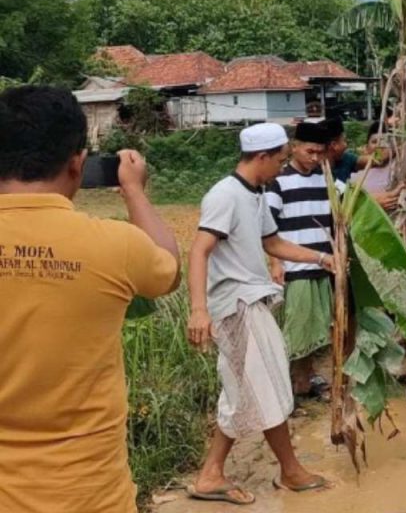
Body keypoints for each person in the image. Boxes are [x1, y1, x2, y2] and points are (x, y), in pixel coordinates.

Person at [0, 86, 180, 513]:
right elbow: (168, 271)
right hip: (89, 495)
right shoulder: (115, 247)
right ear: (78, 163)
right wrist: (134, 191)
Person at [187, 123, 332, 505]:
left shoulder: (256, 193)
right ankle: (288, 471)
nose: (283, 168)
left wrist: (322, 257)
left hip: (253, 300)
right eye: (281, 160)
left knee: (249, 389)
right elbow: (199, 249)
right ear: (262, 157)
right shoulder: (225, 195)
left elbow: (273, 243)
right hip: (235, 304)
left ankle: (214, 474)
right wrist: (198, 310)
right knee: (260, 386)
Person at [266, 120, 342, 399]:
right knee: (297, 331)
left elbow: (358, 201)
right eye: (310, 151)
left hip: (322, 267)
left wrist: (393, 198)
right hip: (296, 268)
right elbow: (268, 229)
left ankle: (303, 383)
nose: (315, 157)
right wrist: (276, 263)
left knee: (314, 331)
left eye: (320, 152)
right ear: (294, 148)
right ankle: (286, 388)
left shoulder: (327, 179)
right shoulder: (278, 182)